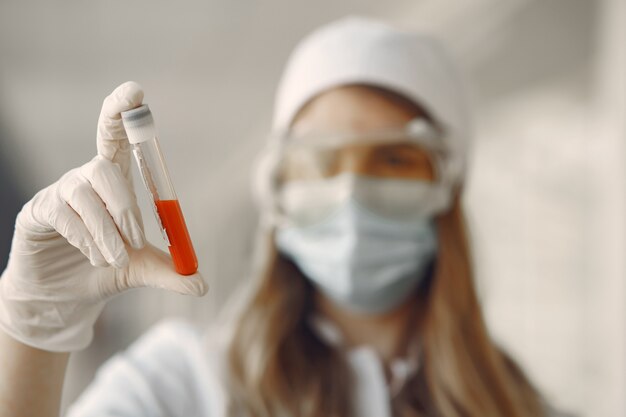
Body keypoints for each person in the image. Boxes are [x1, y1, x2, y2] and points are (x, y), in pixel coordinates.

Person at [0, 17, 557, 417]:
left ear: (446, 188)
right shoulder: (182, 385)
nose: (351, 192)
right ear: (278, 190)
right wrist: (35, 334)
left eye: (393, 158)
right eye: (319, 160)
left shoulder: (526, 407)